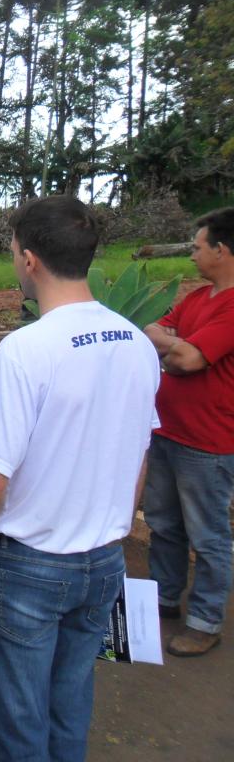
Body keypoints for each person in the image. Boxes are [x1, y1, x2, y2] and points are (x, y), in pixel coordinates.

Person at [0, 195, 160, 761]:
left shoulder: (26, 350)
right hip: (104, 558)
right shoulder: (137, 343)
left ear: (29, 260)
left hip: (28, 564)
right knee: (70, 707)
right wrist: (115, 524)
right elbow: (139, 455)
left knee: (18, 722)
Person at [142, 207, 234, 657]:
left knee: (208, 536)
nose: (192, 255)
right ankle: (164, 596)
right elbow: (153, 330)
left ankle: (205, 621)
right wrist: (177, 348)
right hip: (168, 431)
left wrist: (176, 350)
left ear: (222, 249)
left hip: (208, 443)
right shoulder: (199, 298)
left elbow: (189, 360)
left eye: (198, 247)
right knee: (163, 523)